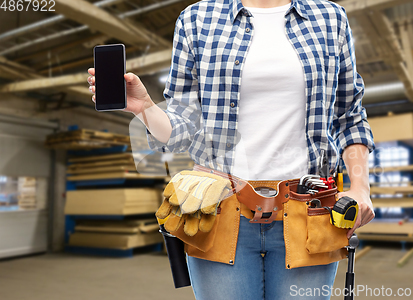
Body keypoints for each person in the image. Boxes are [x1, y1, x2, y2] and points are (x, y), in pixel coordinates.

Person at [88, 0, 375, 298]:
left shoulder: (330, 17)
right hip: (219, 211)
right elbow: (181, 130)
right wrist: (145, 109)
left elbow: (348, 115)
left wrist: (360, 187)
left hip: (308, 211)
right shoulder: (197, 18)